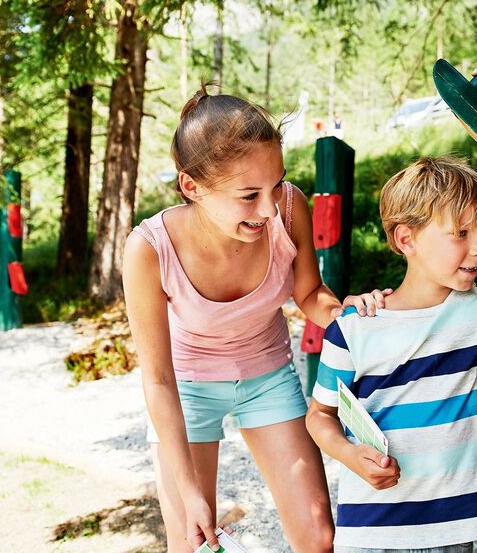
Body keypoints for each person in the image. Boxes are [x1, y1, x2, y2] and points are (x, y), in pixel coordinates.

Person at [305, 57, 477, 552]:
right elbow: (320, 416)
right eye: (460, 234)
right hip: (374, 532)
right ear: (407, 240)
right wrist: (349, 456)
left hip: (453, 533)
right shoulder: (355, 328)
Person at [123, 85, 388, 552]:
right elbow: (159, 380)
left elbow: (309, 294)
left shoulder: (289, 207)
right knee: (192, 543)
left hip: (267, 376)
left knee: (320, 539)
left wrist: (349, 314)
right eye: (248, 195)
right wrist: (191, 496)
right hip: (186, 387)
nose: (268, 209)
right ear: (192, 187)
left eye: (276, 184)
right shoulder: (148, 250)